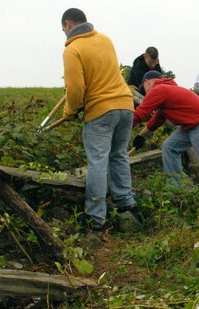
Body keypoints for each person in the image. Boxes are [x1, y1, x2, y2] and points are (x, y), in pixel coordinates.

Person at [60, 8, 137, 230]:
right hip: (125, 104)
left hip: (101, 110)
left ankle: (95, 218)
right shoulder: (105, 40)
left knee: (97, 162)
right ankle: (126, 202)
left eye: (63, 29)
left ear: (68, 24)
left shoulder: (72, 50)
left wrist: (70, 112)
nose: (63, 33)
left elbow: (75, 89)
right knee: (119, 155)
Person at [132, 71, 199, 201]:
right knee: (169, 147)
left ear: (147, 82)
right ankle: (175, 191)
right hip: (191, 125)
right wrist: (140, 136)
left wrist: (119, 129)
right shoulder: (167, 90)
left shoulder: (158, 90)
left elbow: (140, 113)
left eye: (144, 88)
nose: (145, 92)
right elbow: (156, 120)